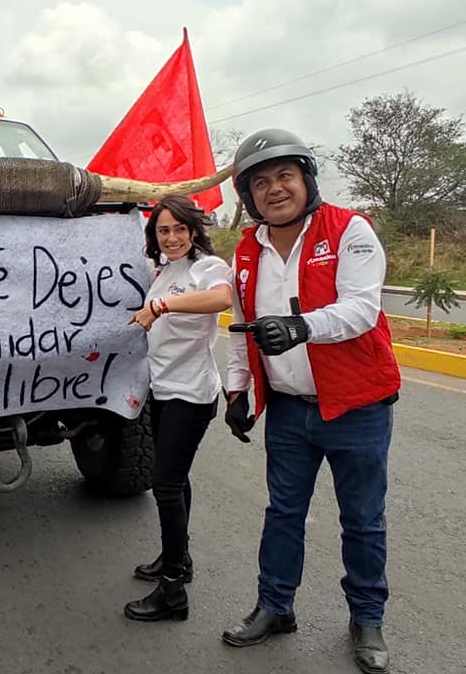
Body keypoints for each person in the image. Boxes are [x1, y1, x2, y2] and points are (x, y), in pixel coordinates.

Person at [221, 129, 400, 674]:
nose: (275, 189)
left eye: (285, 176)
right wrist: (237, 389)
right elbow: (240, 328)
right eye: (260, 182)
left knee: (363, 520)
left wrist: (299, 327)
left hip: (357, 405)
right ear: (248, 197)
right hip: (291, 410)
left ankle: (367, 619)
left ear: (306, 180)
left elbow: (361, 310)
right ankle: (275, 607)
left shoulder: (350, 230)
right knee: (282, 514)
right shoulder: (247, 250)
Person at [122, 194, 233, 622]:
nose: (172, 237)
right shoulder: (165, 270)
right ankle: (179, 560)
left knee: (165, 485)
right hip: (163, 390)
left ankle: (172, 593)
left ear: (193, 230)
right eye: (163, 230)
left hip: (192, 395)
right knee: (176, 480)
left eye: (179, 229)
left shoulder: (208, 266)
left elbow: (221, 300)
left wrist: (161, 305)